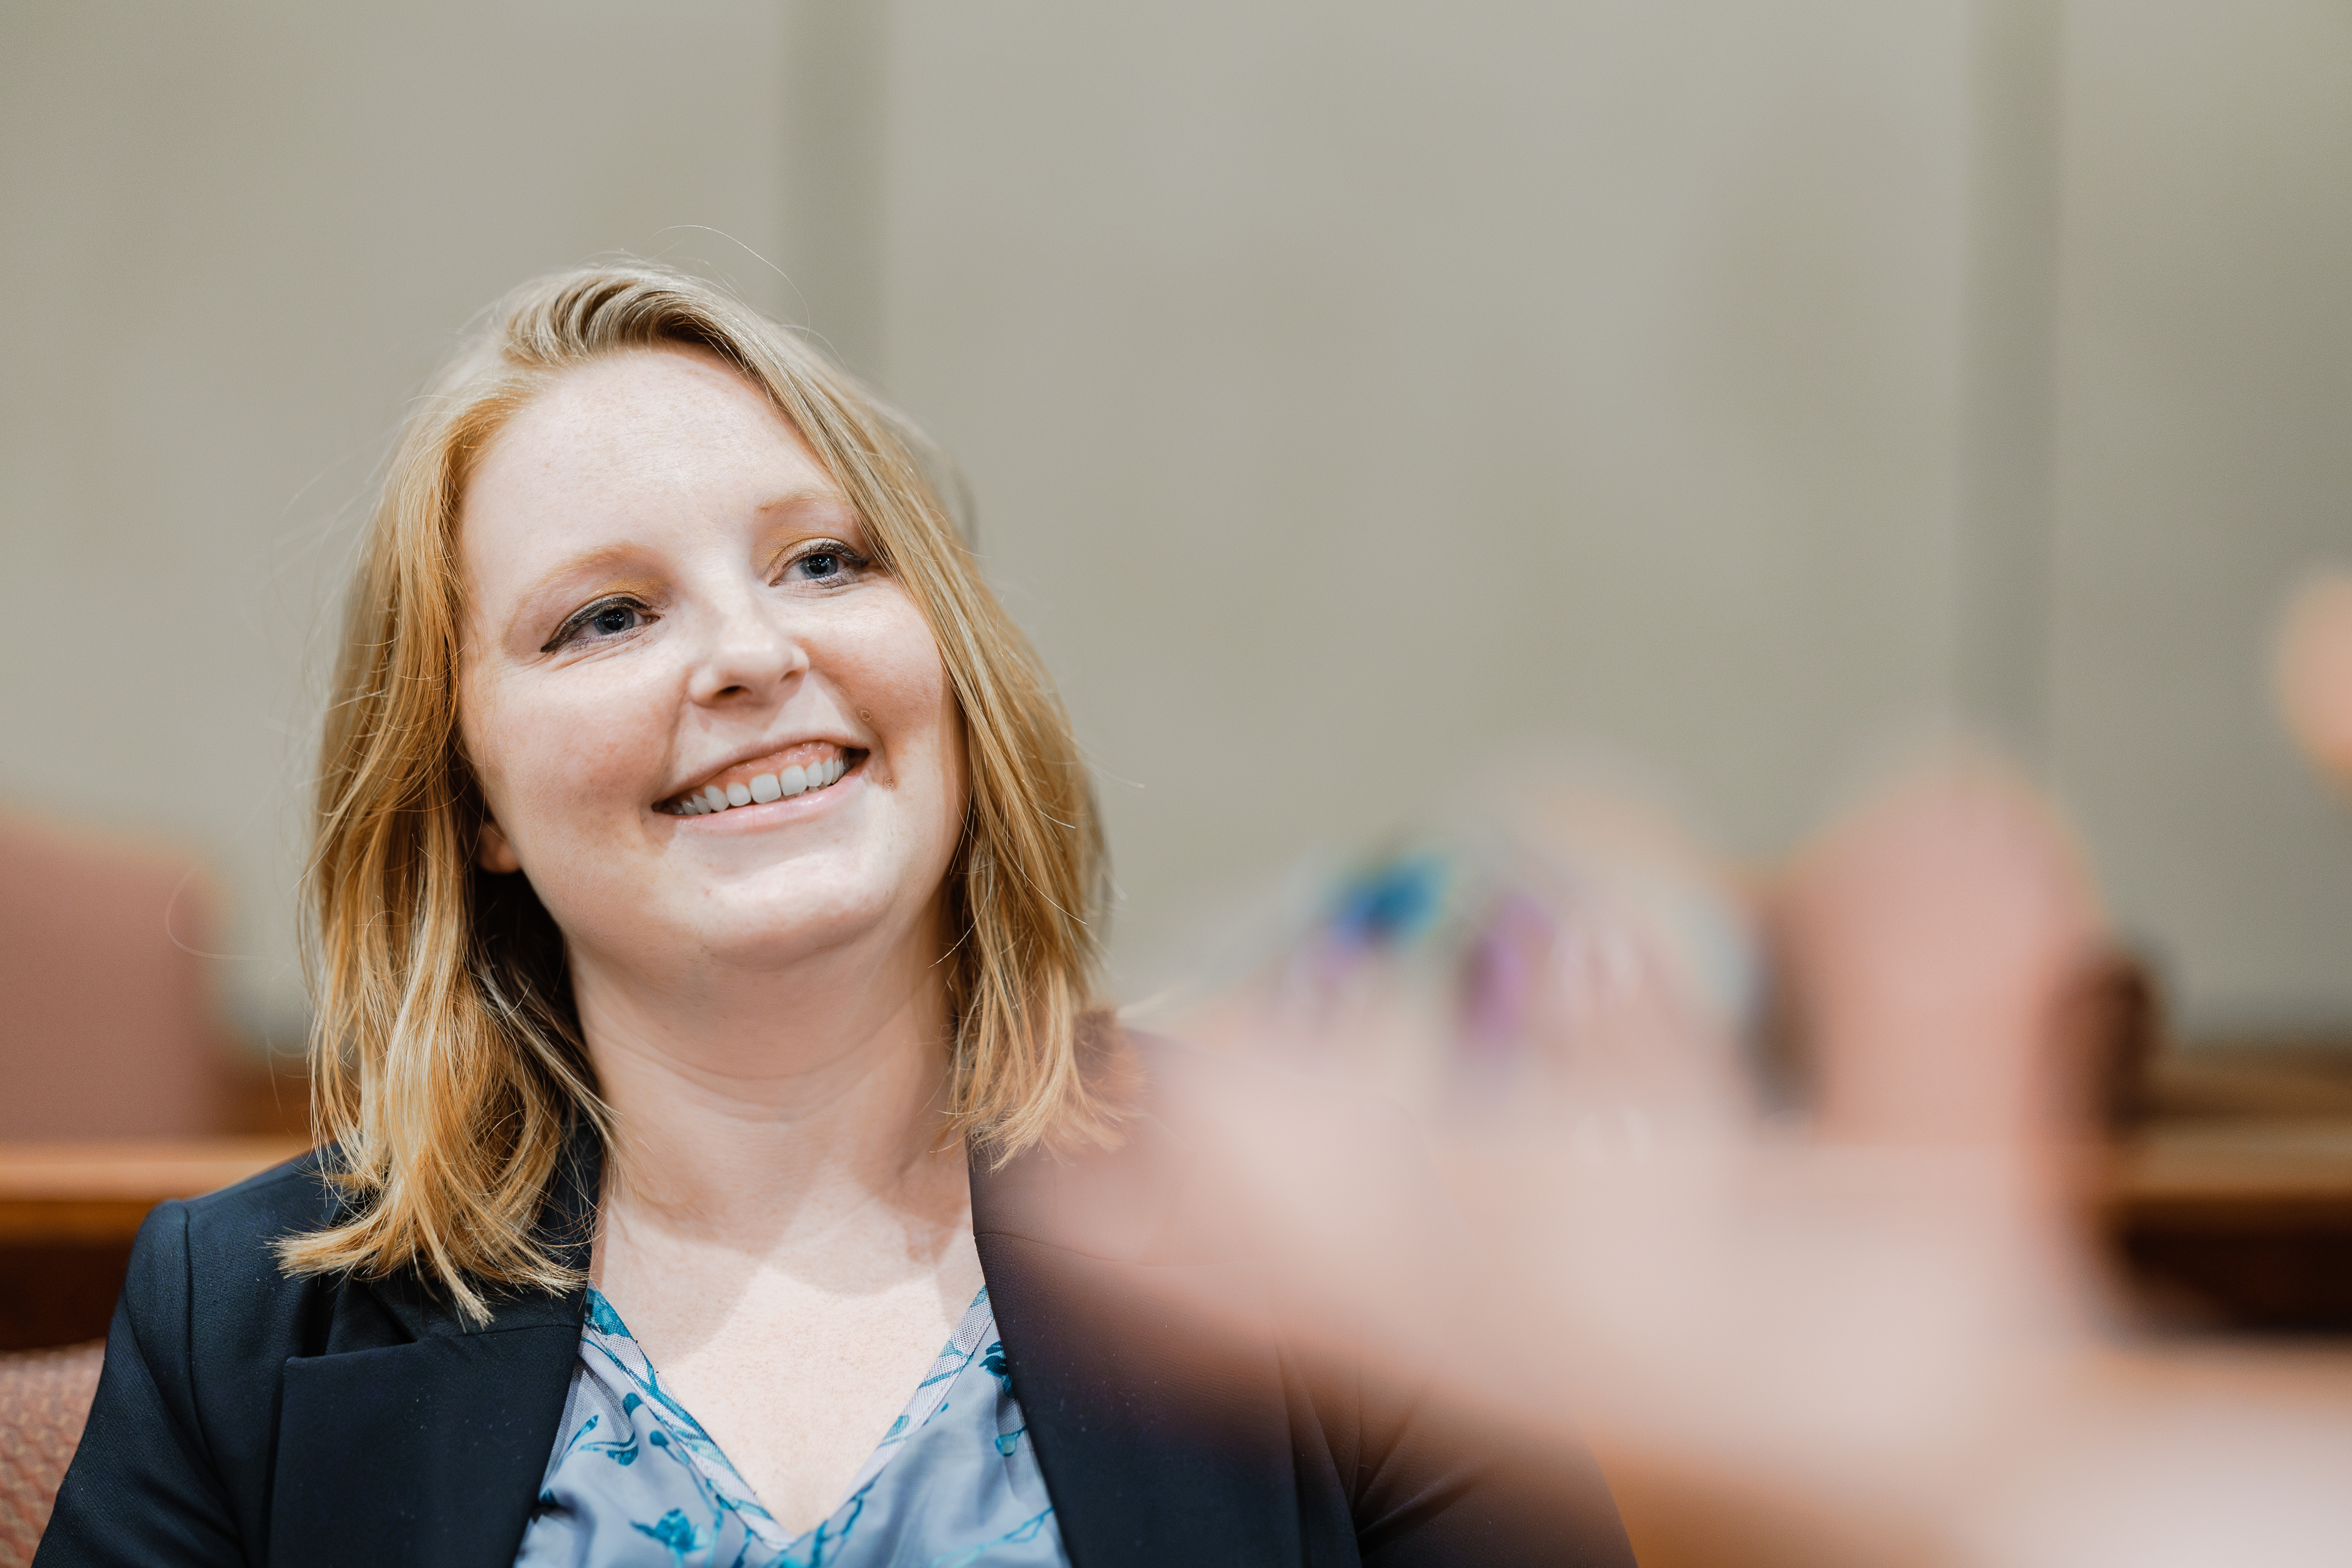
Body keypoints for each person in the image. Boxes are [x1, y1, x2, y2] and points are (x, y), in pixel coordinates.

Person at [35, 265, 1632, 1568]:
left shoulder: (1322, 1217)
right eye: (605, 617)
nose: (748, 654)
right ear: (469, 801)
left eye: (822, 561)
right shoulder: (239, 1319)